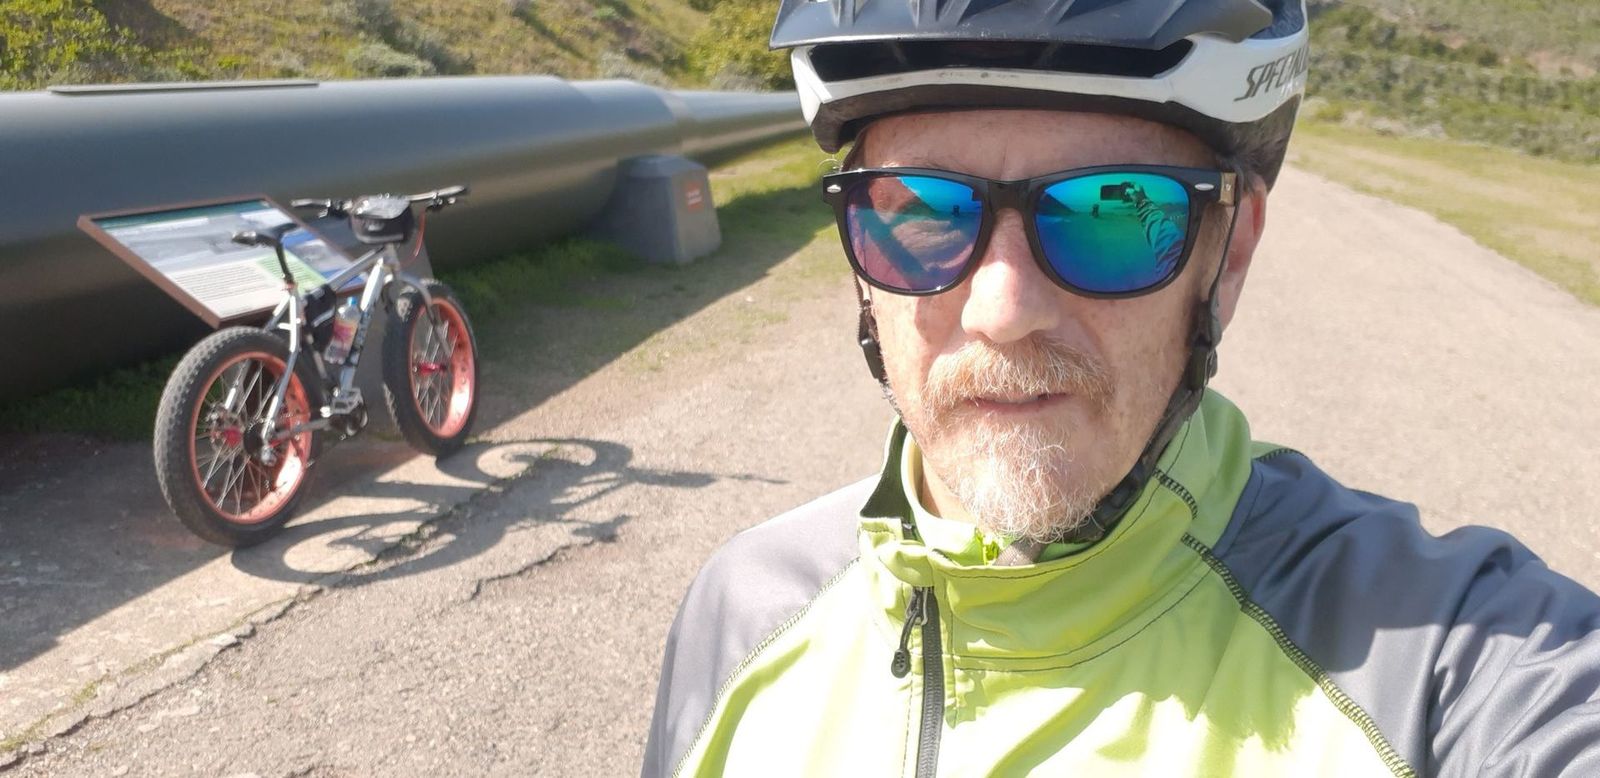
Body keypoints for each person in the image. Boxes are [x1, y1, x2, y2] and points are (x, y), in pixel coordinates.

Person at [643, 1, 1600, 775]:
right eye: (925, 213)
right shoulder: (741, 614)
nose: (1003, 310)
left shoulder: (1448, 657)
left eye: (1111, 213)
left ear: (1228, 255)